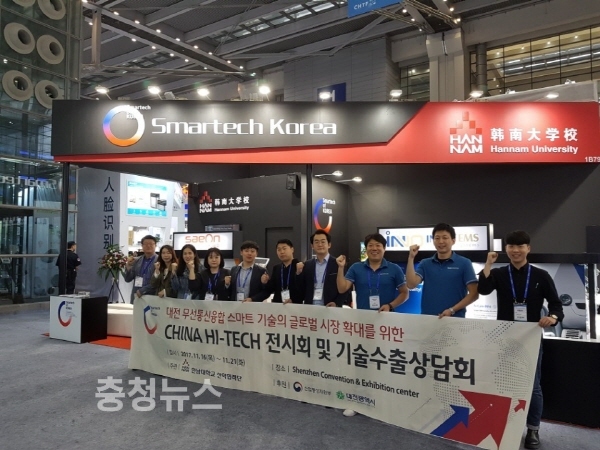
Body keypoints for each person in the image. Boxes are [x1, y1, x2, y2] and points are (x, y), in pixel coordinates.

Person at [478, 230, 563, 450]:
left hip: (530, 339)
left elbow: (556, 305)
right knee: (503, 383)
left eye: (520, 246)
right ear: (506, 249)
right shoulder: (499, 273)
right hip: (504, 338)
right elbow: (483, 290)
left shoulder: (541, 275)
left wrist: (553, 317)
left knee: (533, 387)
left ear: (528, 248)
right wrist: (488, 263)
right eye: (511, 246)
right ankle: (505, 426)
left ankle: (533, 429)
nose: (515, 250)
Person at [336, 233, 410, 418]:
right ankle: (359, 400)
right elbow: (342, 288)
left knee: (386, 361)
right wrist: (340, 268)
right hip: (363, 324)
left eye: (378, 245)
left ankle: (385, 401)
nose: (374, 248)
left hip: (386, 324)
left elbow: (404, 293)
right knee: (362, 362)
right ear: (366, 248)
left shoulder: (393, 269)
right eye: (370, 245)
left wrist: (390, 305)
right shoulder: (356, 267)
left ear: (384, 248)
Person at [405, 223, 478, 318]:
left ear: (453, 241)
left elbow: (474, 294)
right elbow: (411, 284)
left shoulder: (464, 263)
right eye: (437, 238)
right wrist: (411, 258)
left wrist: (452, 310)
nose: (441, 241)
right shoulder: (425, 263)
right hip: (428, 319)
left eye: (445, 238)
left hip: (454, 319)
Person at [299, 230, 349, 307]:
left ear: (329, 245)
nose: (320, 245)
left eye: (323, 242)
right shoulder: (307, 265)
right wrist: (298, 274)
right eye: (316, 242)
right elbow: (302, 288)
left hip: (330, 307)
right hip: (310, 307)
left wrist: (336, 303)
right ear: (312, 246)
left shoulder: (338, 263)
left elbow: (345, 288)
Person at [263, 239, 303, 304]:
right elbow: (270, 289)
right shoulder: (277, 268)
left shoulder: (300, 266)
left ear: (292, 249)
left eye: (284, 249)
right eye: (279, 250)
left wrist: (293, 299)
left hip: (295, 305)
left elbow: (303, 289)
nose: (282, 252)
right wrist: (265, 282)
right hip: (278, 305)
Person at [124, 235, 158, 303]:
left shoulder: (159, 261)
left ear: (155, 245)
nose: (148, 246)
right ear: (142, 246)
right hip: (137, 296)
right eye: (146, 244)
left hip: (152, 297)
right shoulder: (137, 260)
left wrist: (142, 291)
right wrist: (128, 266)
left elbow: (158, 282)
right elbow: (127, 279)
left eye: (151, 244)